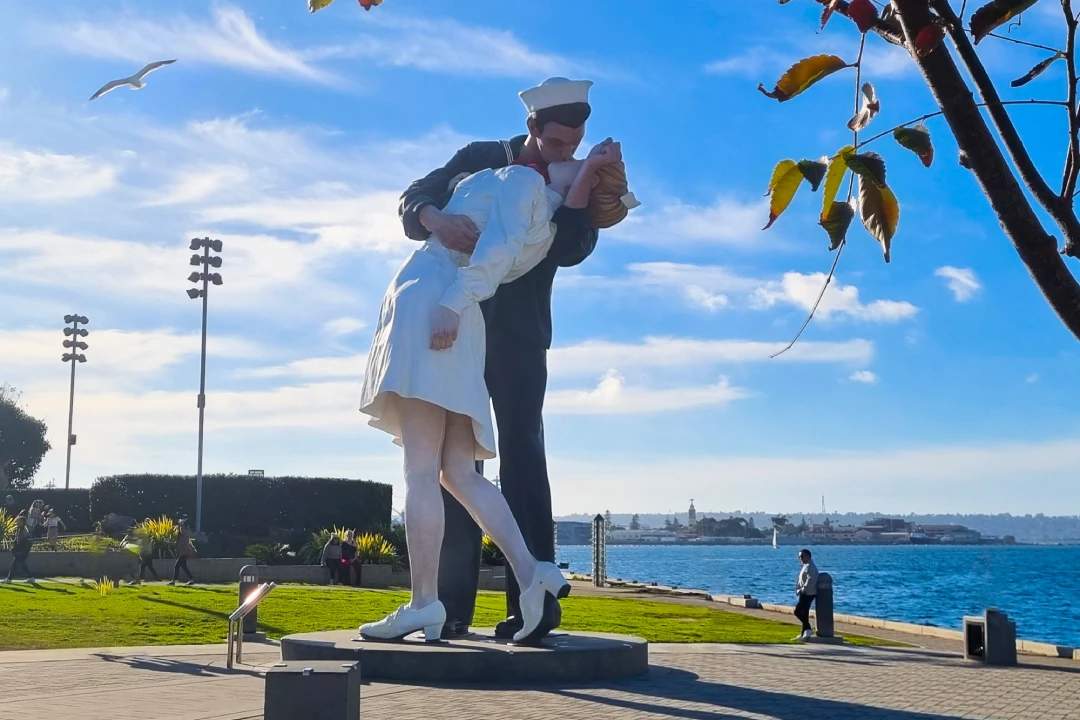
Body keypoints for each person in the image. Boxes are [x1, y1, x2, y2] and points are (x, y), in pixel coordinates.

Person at [361, 124, 632, 645]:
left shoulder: (531, 189)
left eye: (576, 148)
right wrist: (434, 216)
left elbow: (569, 246)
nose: (569, 152)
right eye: (560, 144)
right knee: (457, 470)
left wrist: (584, 190)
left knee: (487, 460)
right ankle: (468, 597)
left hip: (480, 319)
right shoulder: (490, 159)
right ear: (535, 128)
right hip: (463, 313)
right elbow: (417, 196)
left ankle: (444, 603)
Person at [793, 548, 820, 640]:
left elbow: (810, 580)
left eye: (802, 556)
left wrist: (802, 589)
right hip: (805, 592)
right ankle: (804, 633)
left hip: (808, 593)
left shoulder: (810, 567)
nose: (800, 558)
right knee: (804, 613)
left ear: (808, 556)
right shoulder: (806, 565)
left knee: (797, 611)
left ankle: (808, 628)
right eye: (799, 557)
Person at [2, 515, 34, 584]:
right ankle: (31, 577)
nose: (17, 522)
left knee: (15, 564)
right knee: (22, 564)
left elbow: (25, 542)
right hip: (19, 550)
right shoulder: (19, 530)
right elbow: (17, 540)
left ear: (23, 522)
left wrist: (20, 549)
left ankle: (9, 579)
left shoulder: (25, 531)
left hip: (23, 551)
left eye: (19, 521)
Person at [169, 519, 196, 586]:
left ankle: (173, 581)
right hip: (183, 552)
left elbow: (182, 532)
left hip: (184, 552)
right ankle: (191, 579)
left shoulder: (184, 532)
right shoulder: (183, 534)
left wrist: (181, 525)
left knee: (177, 566)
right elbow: (187, 541)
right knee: (184, 566)